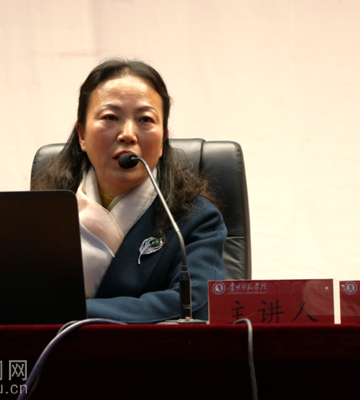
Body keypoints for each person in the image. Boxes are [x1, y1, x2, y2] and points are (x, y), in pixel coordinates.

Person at [31, 59, 226, 323]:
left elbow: (193, 304)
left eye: (145, 119)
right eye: (110, 117)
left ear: (163, 140)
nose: (128, 134)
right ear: (82, 135)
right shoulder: (41, 214)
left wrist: (71, 312)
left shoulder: (195, 218)